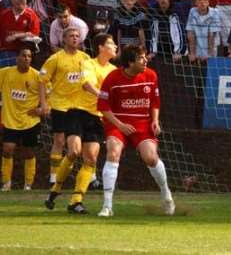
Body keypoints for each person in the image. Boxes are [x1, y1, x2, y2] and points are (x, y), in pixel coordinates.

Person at [97, 44, 175, 217]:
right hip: (117, 122)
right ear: (130, 63)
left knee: (151, 157)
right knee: (113, 152)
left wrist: (155, 120)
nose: (146, 60)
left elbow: (155, 102)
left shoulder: (151, 75)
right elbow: (102, 106)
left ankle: (166, 193)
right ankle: (107, 206)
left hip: (142, 123)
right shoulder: (112, 78)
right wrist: (120, 125)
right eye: (141, 58)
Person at [44, 33, 117, 214]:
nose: (115, 46)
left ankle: (76, 201)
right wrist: (102, 95)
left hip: (96, 117)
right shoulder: (88, 63)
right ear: (101, 47)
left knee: (90, 159)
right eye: (111, 43)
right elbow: (86, 84)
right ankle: (55, 189)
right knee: (74, 152)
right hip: (77, 112)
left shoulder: (114, 71)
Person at [38, 27, 91, 185]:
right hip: (60, 105)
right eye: (71, 36)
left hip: (80, 106)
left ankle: (89, 176)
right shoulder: (55, 58)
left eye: (77, 36)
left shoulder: (86, 58)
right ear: (64, 39)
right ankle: (54, 176)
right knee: (59, 141)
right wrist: (44, 102)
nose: (75, 38)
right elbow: (42, 80)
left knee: (81, 142)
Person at [0, 47, 42, 191]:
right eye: (23, 55)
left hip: (30, 120)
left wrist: (41, 109)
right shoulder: (6, 73)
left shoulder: (37, 76)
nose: (26, 59)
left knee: (29, 152)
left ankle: (28, 185)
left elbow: (49, 96)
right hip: (11, 119)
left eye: (29, 56)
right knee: (7, 149)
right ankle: (6, 183)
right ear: (16, 57)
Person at [0, 0, 40, 67]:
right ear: (12, 0)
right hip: (6, 49)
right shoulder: (4, 14)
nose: (21, 0)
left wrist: (16, 36)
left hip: (24, 51)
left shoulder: (31, 15)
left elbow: (34, 34)